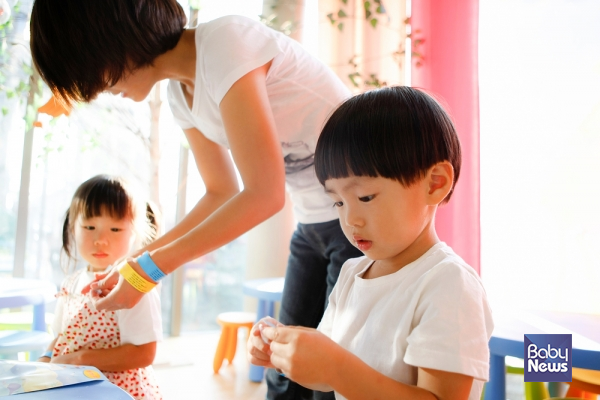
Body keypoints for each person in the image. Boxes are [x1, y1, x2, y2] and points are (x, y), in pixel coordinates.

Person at [29, 1, 362, 398]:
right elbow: (220, 192)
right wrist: (134, 265)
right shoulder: (178, 96)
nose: (100, 90)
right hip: (312, 224)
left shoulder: (225, 43)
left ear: (110, 37)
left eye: (91, 74)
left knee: (327, 373)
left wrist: (149, 271)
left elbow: (264, 194)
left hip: (361, 223)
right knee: (282, 368)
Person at [247, 86, 494, 400]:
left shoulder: (448, 285)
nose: (351, 220)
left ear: (435, 183)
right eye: (337, 202)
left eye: (365, 197)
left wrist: (336, 368)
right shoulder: (352, 273)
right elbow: (326, 373)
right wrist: (283, 349)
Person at [38, 175, 163, 400]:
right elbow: (60, 337)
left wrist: (81, 359)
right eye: (90, 226)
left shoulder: (133, 284)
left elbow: (144, 353)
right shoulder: (71, 282)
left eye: (115, 229)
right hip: (77, 388)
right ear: (72, 228)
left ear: (135, 233)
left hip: (118, 391)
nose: (101, 239)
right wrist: (45, 360)